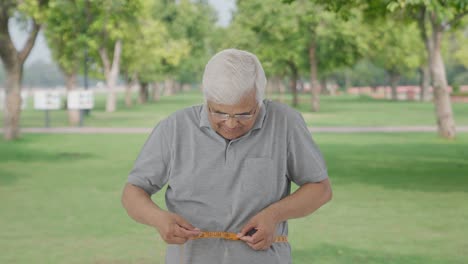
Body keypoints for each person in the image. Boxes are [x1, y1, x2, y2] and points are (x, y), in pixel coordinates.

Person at [121, 48, 332, 264]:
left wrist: (274, 215)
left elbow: (320, 189)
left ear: (260, 100)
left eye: (244, 114)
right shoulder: (174, 128)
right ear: (206, 99)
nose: (231, 124)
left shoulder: (285, 123)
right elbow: (132, 192)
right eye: (219, 112)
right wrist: (158, 219)